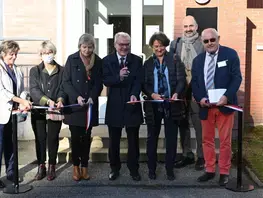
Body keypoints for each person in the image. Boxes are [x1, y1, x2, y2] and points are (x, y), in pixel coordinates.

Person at [191, 28, 242, 186]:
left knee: (225, 141)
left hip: (224, 105)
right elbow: (195, 82)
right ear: (202, 42)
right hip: (206, 107)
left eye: (212, 39)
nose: (210, 43)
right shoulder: (198, 60)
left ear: (218, 38)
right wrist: (200, 98)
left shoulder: (230, 54)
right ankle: (210, 169)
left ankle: (225, 171)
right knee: (207, 140)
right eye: (206, 41)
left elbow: (236, 78)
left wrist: (226, 96)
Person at [142, 32, 185, 180]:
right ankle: (152, 169)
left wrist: (177, 94)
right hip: (153, 105)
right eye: (156, 46)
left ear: (165, 45)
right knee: (151, 138)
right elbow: (144, 84)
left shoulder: (174, 59)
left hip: (171, 104)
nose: (159, 49)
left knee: (171, 138)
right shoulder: (147, 63)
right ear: (152, 47)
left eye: (161, 46)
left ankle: (169, 169)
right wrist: (152, 94)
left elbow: (181, 80)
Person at [103, 32, 143, 181]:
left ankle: (134, 169)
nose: (124, 47)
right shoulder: (107, 61)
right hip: (114, 105)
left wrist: (134, 94)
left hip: (132, 104)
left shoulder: (137, 60)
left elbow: (139, 81)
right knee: (114, 140)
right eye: (121, 44)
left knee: (133, 140)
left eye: (127, 44)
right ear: (115, 44)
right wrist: (118, 77)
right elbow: (106, 80)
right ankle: (114, 168)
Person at [62, 33, 103, 181]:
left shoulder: (98, 61)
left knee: (86, 138)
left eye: (90, 47)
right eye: (84, 47)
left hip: (89, 107)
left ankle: (85, 167)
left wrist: (92, 96)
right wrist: (76, 97)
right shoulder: (72, 59)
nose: (87, 50)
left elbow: (99, 83)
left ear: (93, 47)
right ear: (80, 46)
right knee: (75, 139)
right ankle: (76, 167)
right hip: (75, 107)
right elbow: (66, 82)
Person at [170, 15, 205, 170]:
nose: (188, 29)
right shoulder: (175, 44)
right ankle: (187, 154)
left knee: (199, 124)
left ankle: (202, 156)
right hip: (181, 89)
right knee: (182, 123)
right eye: (185, 27)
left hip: (197, 90)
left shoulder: (204, 42)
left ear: (196, 27)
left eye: (191, 26)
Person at [29, 41, 66, 181]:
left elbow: (63, 87)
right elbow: (34, 90)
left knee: (52, 138)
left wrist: (61, 99)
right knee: (40, 138)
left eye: (49, 52)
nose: (47, 55)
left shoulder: (61, 70)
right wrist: (47, 101)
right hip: (39, 110)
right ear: (41, 55)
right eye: (44, 53)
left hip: (55, 110)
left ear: (53, 53)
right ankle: (41, 165)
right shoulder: (35, 71)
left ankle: (51, 165)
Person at [0, 40, 32, 187]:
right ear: (3, 54)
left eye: (15, 54)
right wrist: (19, 100)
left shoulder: (17, 70)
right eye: (11, 55)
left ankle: (11, 173)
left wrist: (24, 100)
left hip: (12, 114)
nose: (13, 57)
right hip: (1, 114)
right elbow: (2, 92)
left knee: (10, 145)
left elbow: (22, 90)